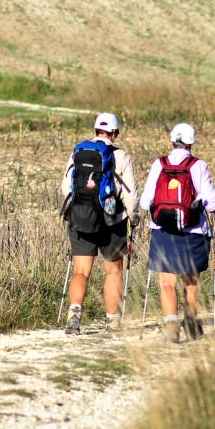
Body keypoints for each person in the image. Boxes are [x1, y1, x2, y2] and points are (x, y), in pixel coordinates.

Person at [139, 122, 215, 343]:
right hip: (192, 232)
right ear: (191, 143)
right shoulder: (198, 165)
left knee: (166, 282)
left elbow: (145, 202)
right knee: (191, 281)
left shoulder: (159, 164)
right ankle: (192, 325)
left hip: (162, 231)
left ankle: (171, 327)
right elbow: (212, 204)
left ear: (171, 141)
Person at [60, 112, 139, 335]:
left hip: (81, 217)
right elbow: (130, 195)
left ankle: (73, 319)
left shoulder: (78, 151)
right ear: (115, 133)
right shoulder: (121, 156)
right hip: (112, 221)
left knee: (81, 271)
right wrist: (133, 218)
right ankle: (112, 322)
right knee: (113, 271)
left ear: (95, 130)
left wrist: (76, 210)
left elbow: (66, 186)